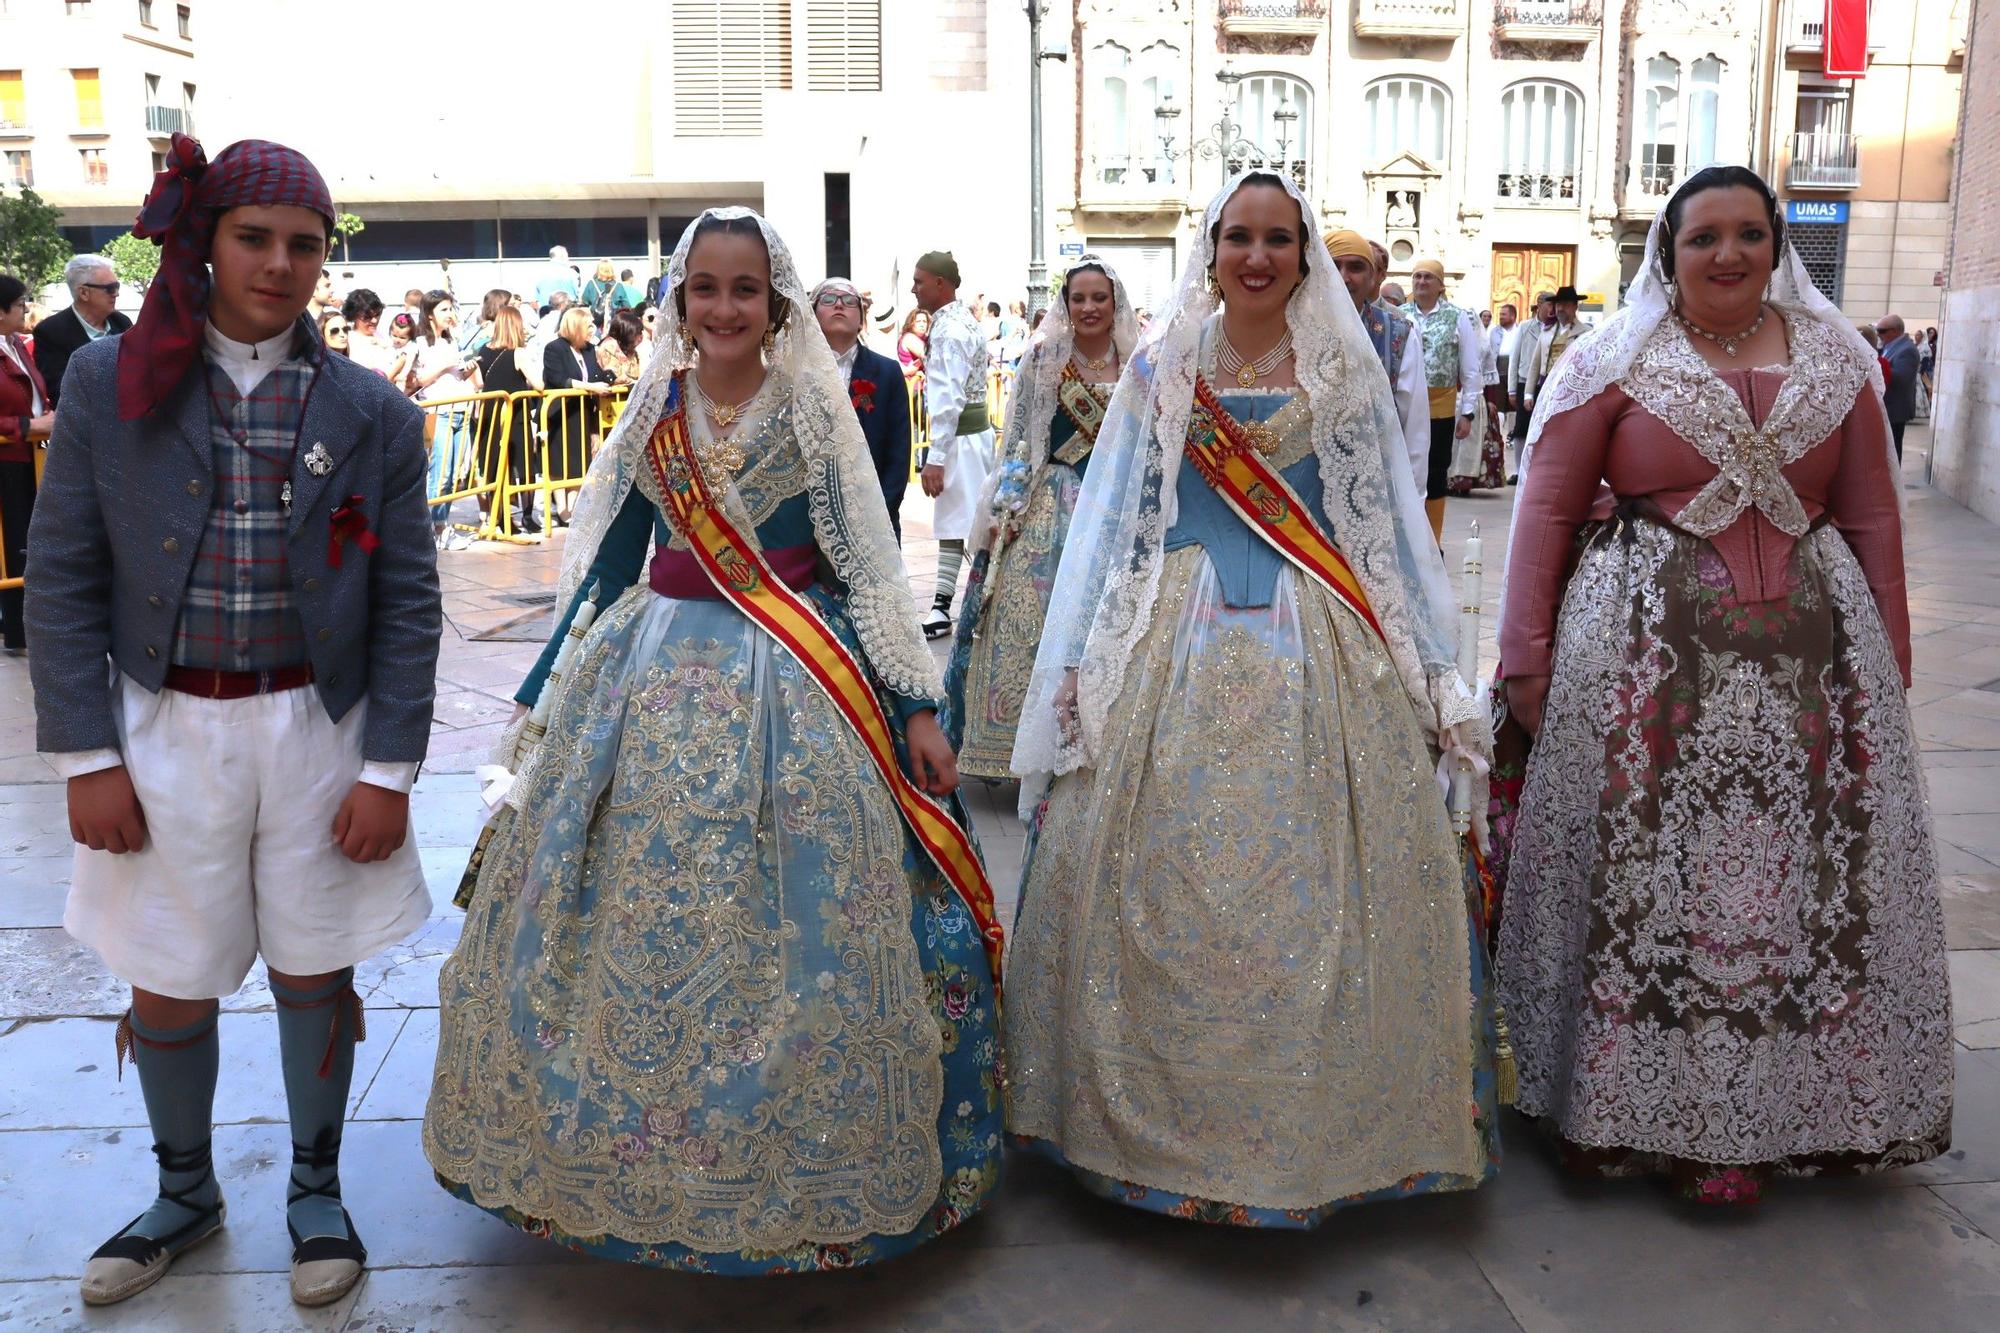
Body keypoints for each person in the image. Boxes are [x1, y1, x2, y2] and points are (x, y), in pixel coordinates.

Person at [425, 205, 1004, 1274]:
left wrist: (913, 702)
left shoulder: (810, 407)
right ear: (679, 301)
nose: (724, 307)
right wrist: (544, 690)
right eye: (705, 289)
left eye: (744, 289)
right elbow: (610, 560)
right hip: (646, 674)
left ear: (773, 302)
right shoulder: (654, 403)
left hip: (795, 676)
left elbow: (866, 560)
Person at [1003, 170, 1497, 1227]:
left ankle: (1330, 1133)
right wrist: (1085, 664)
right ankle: (1124, 1125)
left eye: (1278, 238)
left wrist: (1430, 673)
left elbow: (1376, 535)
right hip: (1172, 636)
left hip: (1314, 644)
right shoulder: (1160, 368)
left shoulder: (1342, 372)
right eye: (1238, 237)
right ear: (1211, 249)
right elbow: (1118, 527)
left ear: (1304, 255)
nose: (1257, 256)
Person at [27, 132, 440, 1308]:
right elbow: (61, 575)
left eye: (304, 245)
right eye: (254, 237)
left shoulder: (372, 413)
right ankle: (184, 1188)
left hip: (318, 732)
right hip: (164, 730)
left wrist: (390, 773)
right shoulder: (113, 383)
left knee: (316, 967)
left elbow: (407, 601)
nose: (279, 263)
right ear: (203, 242)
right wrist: (88, 755)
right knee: (168, 975)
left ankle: (316, 1189)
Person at [1497, 164, 1950, 1207]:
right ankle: (1634, 1106)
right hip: (1647, 662)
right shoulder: (1606, 359)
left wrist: (1889, 649)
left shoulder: (1836, 358)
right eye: (1704, 236)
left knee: (1794, 882)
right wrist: (1526, 655)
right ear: (1668, 249)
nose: (1728, 254)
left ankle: (1794, 1106)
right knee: (1648, 876)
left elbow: (1872, 515)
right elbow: (1543, 513)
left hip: (1810, 662)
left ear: (1774, 244)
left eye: (1748, 233)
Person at [941, 254, 1133, 781]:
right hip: (1052, 505)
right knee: (1028, 623)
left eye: (1099, 297)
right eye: (1079, 298)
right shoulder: (1045, 359)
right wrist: (1008, 508)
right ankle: (1016, 750)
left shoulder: (1138, 362)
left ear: (1115, 302)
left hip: (1112, 507)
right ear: (1065, 305)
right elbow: (1020, 441)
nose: (1089, 307)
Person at [912, 252, 997, 638]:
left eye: (920, 281)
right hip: (971, 436)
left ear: (940, 284)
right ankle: (948, 606)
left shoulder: (949, 330)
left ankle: (968, 603)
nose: (915, 287)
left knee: (967, 525)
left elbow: (948, 399)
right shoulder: (962, 321)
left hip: (961, 438)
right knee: (960, 522)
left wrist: (936, 458)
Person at [1326, 229, 1426, 493]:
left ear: (1373, 277)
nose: (1343, 277)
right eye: (1333, 265)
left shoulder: (1398, 332)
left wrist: (1413, 498)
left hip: (1375, 489)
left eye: (1356, 267)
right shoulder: (1289, 327)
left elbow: (1414, 426)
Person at [813, 276, 911, 538]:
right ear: (813, 313)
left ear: (861, 318)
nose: (839, 305)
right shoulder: (796, 372)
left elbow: (898, 452)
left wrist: (882, 511)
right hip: (810, 521)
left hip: (875, 516)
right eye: (829, 299)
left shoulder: (887, 372)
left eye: (848, 301)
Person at [1401, 259, 1481, 543]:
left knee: (1435, 471)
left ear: (1440, 285)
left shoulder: (1457, 317)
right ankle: (1409, 537)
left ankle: (1433, 540)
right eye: (1417, 276)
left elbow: (1470, 367)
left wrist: (1467, 412)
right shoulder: (1400, 315)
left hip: (1440, 406)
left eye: (1427, 277)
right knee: (1405, 470)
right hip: (1405, 406)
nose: (1421, 282)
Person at [0, 273, 53, 653]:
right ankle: (17, 632)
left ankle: (30, 628)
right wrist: (26, 425)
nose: (25, 309)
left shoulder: (16, 343)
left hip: (30, 457)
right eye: (19, 304)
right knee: (14, 543)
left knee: (31, 543)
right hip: (8, 460)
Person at [409, 291, 479, 551]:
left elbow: (458, 375)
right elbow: (419, 380)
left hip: (461, 408)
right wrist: (445, 365)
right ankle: (434, 528)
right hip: (439, 412)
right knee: (440, 473)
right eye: (444, 310)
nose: (450, 315)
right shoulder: (420, 343)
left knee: (453, 475)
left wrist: (467, 368)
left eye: (451, 309)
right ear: (430, 314)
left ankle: (441, 524)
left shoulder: (452, 341)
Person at [473, 305, 543, 535]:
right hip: (516, 416)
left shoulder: (483, 350)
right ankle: (527, 516)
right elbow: (539, 385)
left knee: (494, 467)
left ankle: (500, 517)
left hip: (489, 416)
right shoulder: (519, 353)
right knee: (524, 466)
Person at [541, 305, 613, 523]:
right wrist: (591, 387)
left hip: (581, 414)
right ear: (575, 326)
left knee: (577, 461)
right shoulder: (554, 349)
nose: (592, 329)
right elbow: (559, 379)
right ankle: (561, 509)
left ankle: (572, 509)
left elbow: (597, 375)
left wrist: (610, 377)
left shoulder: (590, 350)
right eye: (588, 325)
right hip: (559, 413)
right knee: (558, 462)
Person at [34, 255, 133, 409]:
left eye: (117, 286)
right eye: (110, 288)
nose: (116, 293)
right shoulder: (51, 332)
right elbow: (60, 391)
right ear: (84, 293)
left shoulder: (122, 322)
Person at [1509, 291, 1555, 475]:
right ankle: (1520, 470)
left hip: (1546, 381)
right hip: (1524, 381)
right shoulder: (1525, 327)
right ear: (1540, 304)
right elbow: (1515, 357)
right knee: (1521, 426)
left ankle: (1538, 469)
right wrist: (1512, 389)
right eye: (1549, 304)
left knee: (1544, 427)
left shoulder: (1556, 328)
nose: (1552, 309)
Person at [1877, 313, 1919, 460]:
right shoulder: (1889, 346)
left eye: (1881, 331)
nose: (1879, 335)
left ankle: (1894, 482)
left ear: (1894, 331)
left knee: (1893, 451)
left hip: (1895, 408)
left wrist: (1877, 366)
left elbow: (1901, 377)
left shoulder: (1907, 350)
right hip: (1886, 406)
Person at [339, 289, 392, 378]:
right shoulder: (349, 340)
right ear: (354, 315)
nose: (374, 321)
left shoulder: (382, 336)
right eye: (368, 317)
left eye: (377, 315)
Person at [595, 306, 643, 386]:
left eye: (641, 332)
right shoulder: (608, 348)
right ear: (626, 332)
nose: (641, 336)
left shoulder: (633, 352)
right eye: (637, 333)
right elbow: (615, 377)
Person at [534, 244, 578, 311]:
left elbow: (536, 299)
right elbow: (579, 295)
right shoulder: (572, 273)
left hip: (546, 314)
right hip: (567, 314)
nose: (568, 259)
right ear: (562, 256)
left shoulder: (539, 273)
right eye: (567, 256)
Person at [580, 258, 619, 330]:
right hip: (613, 322)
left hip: (595, 322)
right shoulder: (618, 285)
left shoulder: (591, 283)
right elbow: (626, 305)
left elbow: (584, 303)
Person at [385, 312, 419, 392]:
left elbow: (409, 363)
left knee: (400, 389)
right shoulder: (392, 343)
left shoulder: (411, 347)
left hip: (406, 375)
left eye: (402, 338)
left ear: (410, 337)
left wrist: (403, 374)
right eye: (394, 336)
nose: (397, 340)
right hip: (393, 372)